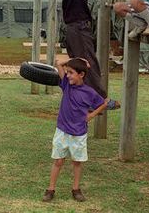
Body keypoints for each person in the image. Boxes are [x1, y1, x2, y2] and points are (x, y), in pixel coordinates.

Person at [42, 58, 108, 202]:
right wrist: (77, 60)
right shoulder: (66, 85)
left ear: (81, 74)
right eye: (67, 72)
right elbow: (58, 63)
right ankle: (50, 189)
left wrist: (90, 116)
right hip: (62, 131)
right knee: (58, 161)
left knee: (77, 162)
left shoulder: (89, 92)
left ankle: (76, 189)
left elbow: (102, 104)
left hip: (79, 134)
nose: (67, 75)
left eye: (71, 73)